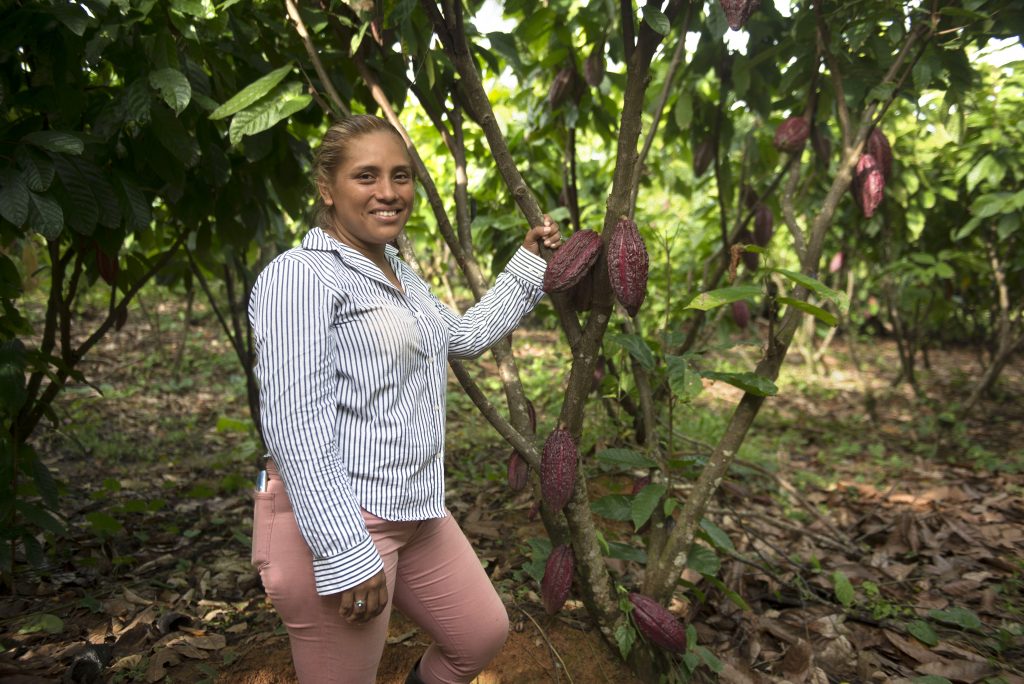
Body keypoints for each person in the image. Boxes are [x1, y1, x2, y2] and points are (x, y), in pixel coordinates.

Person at [247, 114, 561, 684]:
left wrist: (530, 263)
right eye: (366, 177)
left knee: (479, 633)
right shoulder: (301, 277)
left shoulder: (397, 271)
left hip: (414, 508)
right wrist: (345, 549)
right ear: (326, 188)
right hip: (336, 518)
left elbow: (460, 337)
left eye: (401, 176)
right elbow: (294, 425)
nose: (389, 193)